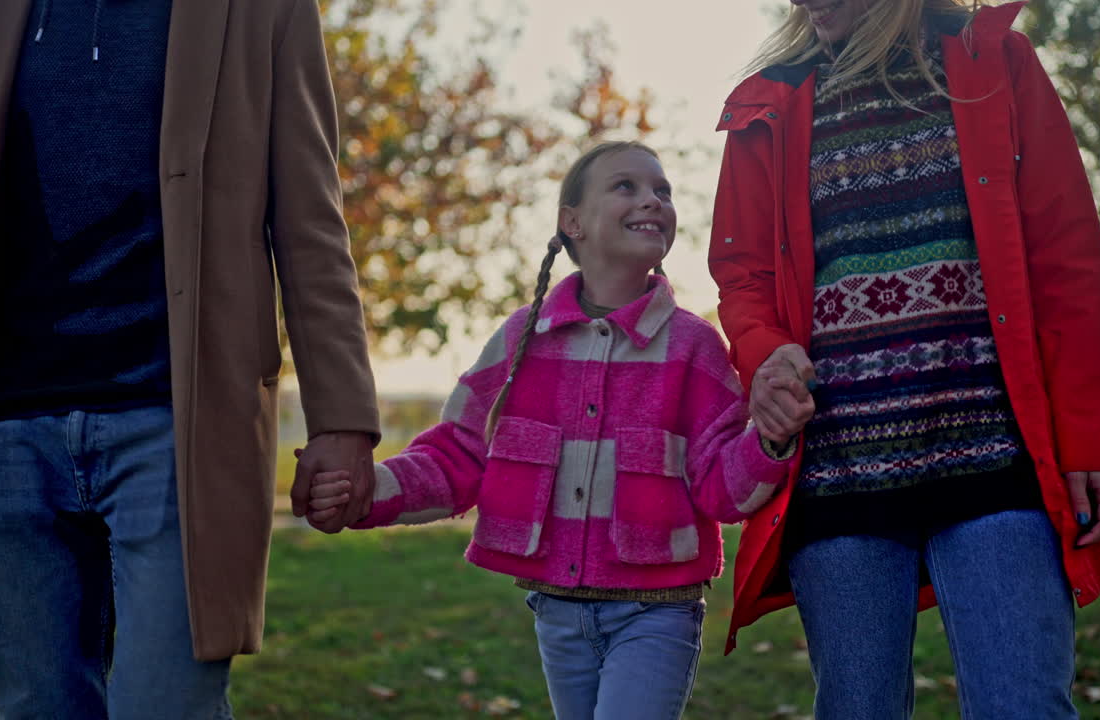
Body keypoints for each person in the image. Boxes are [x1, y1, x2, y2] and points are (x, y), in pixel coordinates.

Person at [708, 1, 1100, 717]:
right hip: (841, 477)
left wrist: (1091, 440)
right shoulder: (769, 103)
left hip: (996, 462)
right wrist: (768, 353)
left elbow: (1068, 259)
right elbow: (742, 275)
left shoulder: (996, 65)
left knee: (1022, 707)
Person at [305, 141, 803, 720]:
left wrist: (769, 440)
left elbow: (721, 489)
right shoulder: (521, 340)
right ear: (572, 222)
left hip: (657, 613)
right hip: (556, 615)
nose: (653, 200)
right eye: (627, 186)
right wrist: (367, 487)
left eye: (662, 191)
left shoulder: (694, 348)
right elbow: (456, 458)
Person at [0, 1, 379, 717]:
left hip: (180, 420)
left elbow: (310, 220)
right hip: (5, 424)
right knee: (33, 706)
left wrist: (341, 417)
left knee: (166, 705)